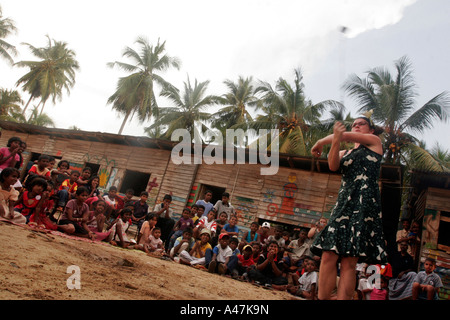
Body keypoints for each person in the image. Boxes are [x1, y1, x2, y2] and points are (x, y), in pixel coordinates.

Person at [310, 115, 387, 300]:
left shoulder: (374, 142)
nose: (357, 126)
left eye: (361, 124)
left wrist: (320, 141)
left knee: (349, 261)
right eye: (354, 124)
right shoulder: (345, 152)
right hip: (344, 203)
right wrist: (334, 139)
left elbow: (346, 136)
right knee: (328, 254)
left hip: (364, 204)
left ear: (371, 130)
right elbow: (333, 165)